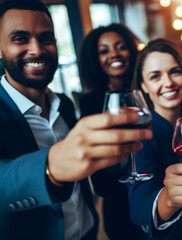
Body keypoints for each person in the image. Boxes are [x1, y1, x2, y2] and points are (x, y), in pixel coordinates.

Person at [0, 0, 152, 239]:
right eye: (20, 39)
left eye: (46, 38)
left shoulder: (66, 105)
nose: (37, 49)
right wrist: (51, 167)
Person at [128, 38, 182, 239]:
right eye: (155, 76)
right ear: (144, 86)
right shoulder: (141, 135)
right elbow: (139, 208)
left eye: (175, 71)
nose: (168, 83)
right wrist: (170, 200)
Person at [77, 23, 145, 240]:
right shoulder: (91, 102)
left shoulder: (148, 90)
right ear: (95, 59)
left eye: (120, 46)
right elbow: (100, 183)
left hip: (156, 195)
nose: (114, 54)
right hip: (119, 205)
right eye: (104, 50)